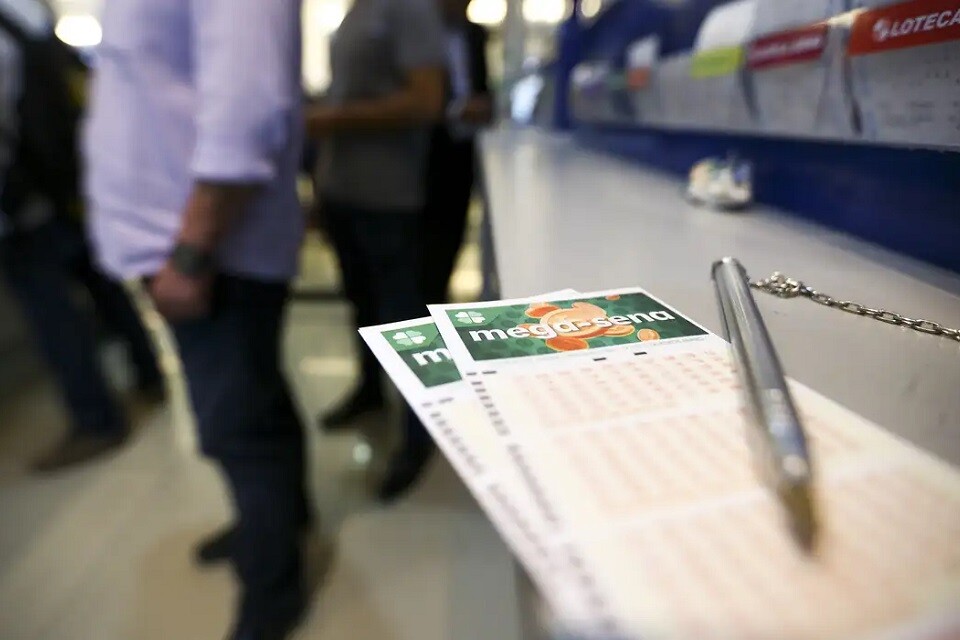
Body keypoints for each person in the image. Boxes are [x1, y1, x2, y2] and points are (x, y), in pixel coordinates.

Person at [83, 1, 309, 638]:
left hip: (210, 251)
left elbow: (247, 106)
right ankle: (281, 525)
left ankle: (273, 589)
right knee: (255, 397)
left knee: (237, 427)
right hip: (199, 245)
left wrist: (191, 253)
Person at [0, 0, 161, 472]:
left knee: (53, 317)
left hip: (24, 202)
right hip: (67, 178)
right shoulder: (26, 12)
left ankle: (96, 420)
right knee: (103, 284)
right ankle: (149, 375)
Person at [308, 0, 446, 500]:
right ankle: (370, 392)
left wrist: (330, 121)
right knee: (362, 307)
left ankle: (418, 434)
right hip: (346, 191)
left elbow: (426, 101)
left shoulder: (409, 9)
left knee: (404, 323)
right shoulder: (356, 10)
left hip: (389, 196)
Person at [422, 0, 494, 305]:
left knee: (453, 234)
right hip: (429, 153)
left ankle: (437, 299)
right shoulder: (423, 34)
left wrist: (485, 106)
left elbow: (483, 85)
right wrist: (456, 110)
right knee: (427, 246)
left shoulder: (475, 35)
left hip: (464, 152)